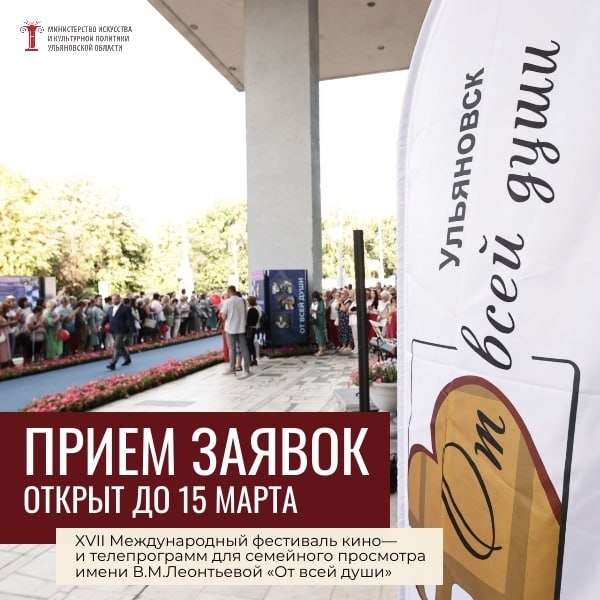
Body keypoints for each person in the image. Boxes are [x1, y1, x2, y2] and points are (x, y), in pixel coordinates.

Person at [219, 285, 251, 377]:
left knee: (232, 349)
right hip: (241, 327)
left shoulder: (227, 302)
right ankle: (247, 369)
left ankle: (232, 369)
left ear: (229, 292)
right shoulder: (243, 301)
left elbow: (223, 316)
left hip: (230, 328)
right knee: (244, 348)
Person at [102, 294, 136, 371]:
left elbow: (130, 319)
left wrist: (133, 330)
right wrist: (101, 325)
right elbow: (106, 318)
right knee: (120, 346)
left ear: (119, 299)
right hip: (113, 329)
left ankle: (112, 363)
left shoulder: (126, 308)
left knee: (117, 346)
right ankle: (127, 359)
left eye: (115, 299)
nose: (114, 300)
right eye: (113, 299)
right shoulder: (110, 308)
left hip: (122, 329)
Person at [310, 290, 327, 357]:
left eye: (315, 297)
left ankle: (321, 351)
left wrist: (315, 311)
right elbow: (311, 309)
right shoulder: (313, 302)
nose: (314, 298)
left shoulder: (321, 301)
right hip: (314, 319)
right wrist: (311, 311)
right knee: (317, 334)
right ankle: (322, 348)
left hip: (319, 320)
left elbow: (322, 311)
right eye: (313, 297)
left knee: (320, 334)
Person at [246, 296, 261, 366]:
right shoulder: (258, 308)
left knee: (249, 344)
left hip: (250, 328)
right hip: (256, 327)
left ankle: (252, 359)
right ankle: (254, 359)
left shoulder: (251, 309)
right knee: (251, 343)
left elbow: (249, 320)